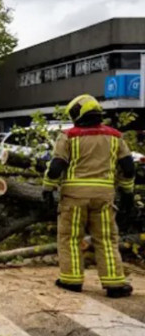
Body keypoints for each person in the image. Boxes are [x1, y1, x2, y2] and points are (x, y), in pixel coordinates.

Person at [42, 94, 135, 298]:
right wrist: (127, 192)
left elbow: (57, 166)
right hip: (103, 197)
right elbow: (128, 167)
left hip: (74, 197)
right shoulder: (115, 136)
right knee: (106, 239)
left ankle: (71, 280)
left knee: (70, 238)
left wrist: (48, 189)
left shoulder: (68, 136)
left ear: (77, 115)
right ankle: (115, 283)